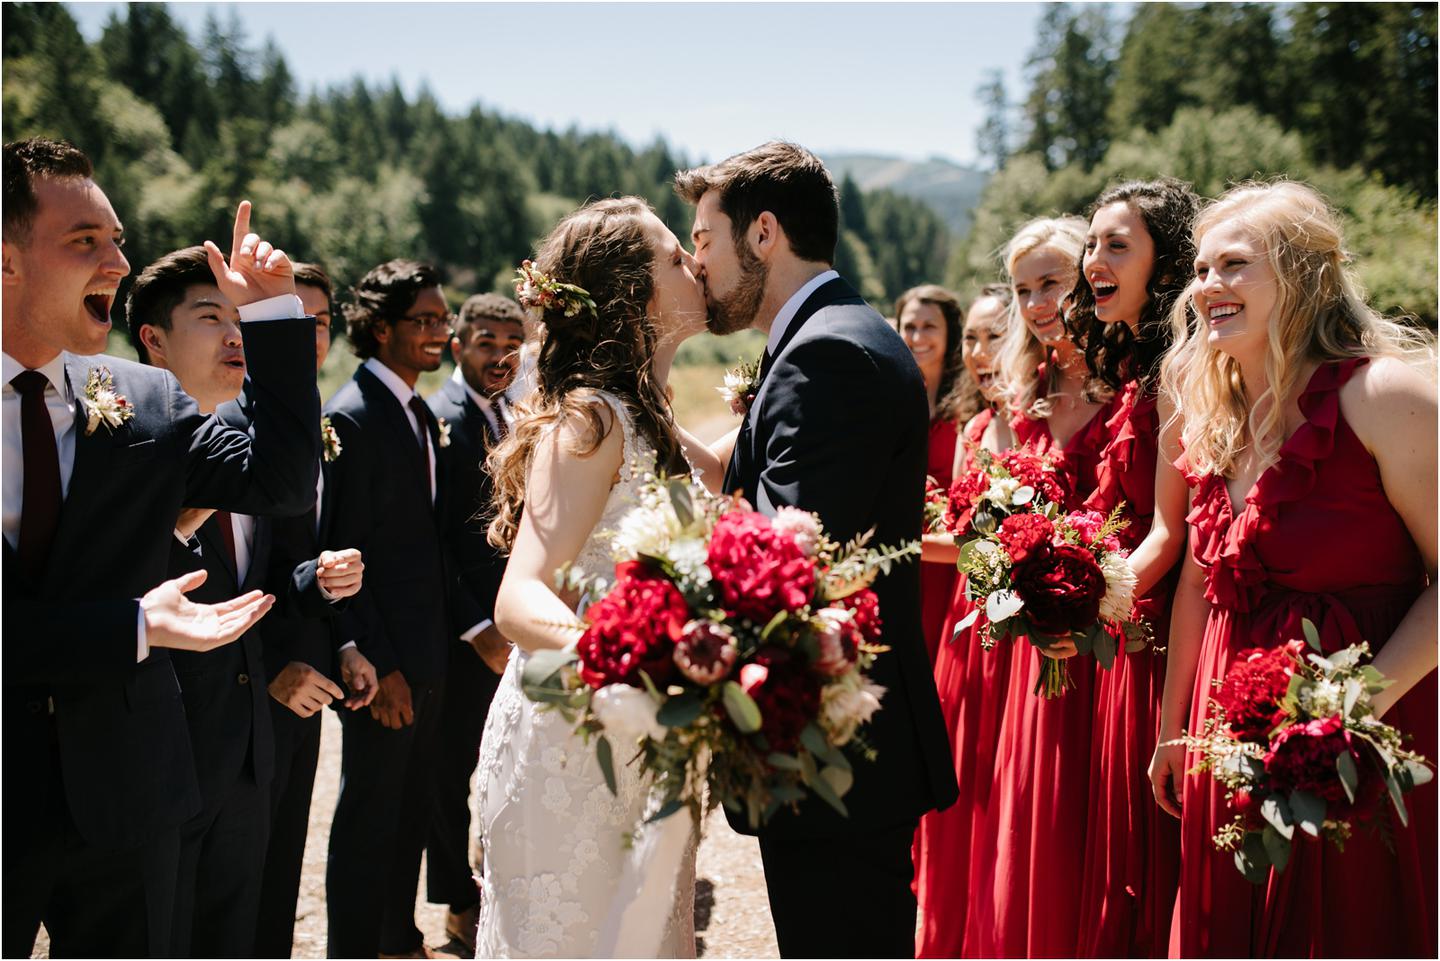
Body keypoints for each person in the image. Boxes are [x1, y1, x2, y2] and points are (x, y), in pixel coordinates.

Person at [1, 137, 319, 958]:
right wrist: (132, 628)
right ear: (5, 262)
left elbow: (280, 480)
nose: (118, 257)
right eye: (85, 242)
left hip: (128, 796)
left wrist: (273, 316)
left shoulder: (143, 400)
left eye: (117, 238)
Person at [676, 141, 958, 958]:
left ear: (763, 233)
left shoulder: (827, 354)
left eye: (704, 238)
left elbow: (784, 556)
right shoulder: (830, 335)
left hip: (838, 749)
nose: (698, 262)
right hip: (843, 746)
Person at [1154, 181, 1437, 957]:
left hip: (1362, 742)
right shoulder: (1212, 412)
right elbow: (1195, 584)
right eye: (1201, 269)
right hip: (1229, 736)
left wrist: (1343, 715)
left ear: (1305, 274)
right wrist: (1173, 729)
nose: (1207, 285)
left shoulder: (1386, 397)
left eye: (1234, 264)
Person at [475, 196, 707, 958]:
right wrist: (636, 660)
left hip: (642, 745)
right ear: (634, 293)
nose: (697, 264)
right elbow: (519, 596)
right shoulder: (591, 417)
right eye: (677, 257)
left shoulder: (652, 419)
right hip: (574, 741)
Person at [129, 246, 354, 956]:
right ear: (153, 341)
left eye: (240, 320)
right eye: (211, 318)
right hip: (156, 753)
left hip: (246, 745)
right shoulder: (117, 442)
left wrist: (310, 579)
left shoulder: (233, 443)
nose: (235, 336)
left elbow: (277, 525)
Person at [959, 217, 1117, 957]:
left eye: (1051, 282)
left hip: (1121, 644)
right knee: (1037, 829)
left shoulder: (1133, 386)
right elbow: (983, 513)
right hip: (1040, 642)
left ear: (1089, 274)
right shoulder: (1020, 394)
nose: (1035, 302)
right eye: (1023, 288)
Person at [1067, 177, 1200, 957]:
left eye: (1118, 244)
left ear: (1165, 261)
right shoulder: (1134, 372)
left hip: (1159, 646)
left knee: (1155, 862)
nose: (1095, 260)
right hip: (1127, 636)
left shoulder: (1182, 370)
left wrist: (1082, 603)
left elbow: (1170, 534)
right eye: (1092, 243)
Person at [323, 259, 454, 959]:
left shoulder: (417, 408)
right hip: (386, 664)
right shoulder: (351, 414)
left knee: (408, 810)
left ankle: (397, 940)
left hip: (428, 652)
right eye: (424, 321)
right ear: (380, 328)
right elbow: (342, 550)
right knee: (369, 816)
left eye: (443, 320)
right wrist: (382, 662)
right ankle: (351, 949)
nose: (440, 332)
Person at [251, 260, 379, 958]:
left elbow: (319, 555)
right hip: (249, 681)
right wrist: (274, 663)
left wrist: (345, 644)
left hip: (308, 684)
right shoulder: (231, 423)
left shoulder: (318, 422)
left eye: (320, 323)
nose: (309, 336)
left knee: (278, 871)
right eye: (292, 320)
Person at [912, 284, 1015, 957]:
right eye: (973, 338)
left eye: (992, 336)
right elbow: (965, 530)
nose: (980, 352)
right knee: (961, 788)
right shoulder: (977, 429)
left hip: (1018, 629)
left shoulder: (1018, 425)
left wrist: (896, 528)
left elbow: (992, 543)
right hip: (964, 623)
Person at [424, 292, 524, 953]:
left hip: (514, 622)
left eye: (512, 343)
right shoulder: (442, 418)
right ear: (458, 344)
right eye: (486, 342)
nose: (500, 356)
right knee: (457, 769)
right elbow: (431, 538)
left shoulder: (514, 412)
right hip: (463, 632)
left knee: (504, 764)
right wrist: (475, 627)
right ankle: (461, 907)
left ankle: (492, 896)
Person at [892, 283, 980, 664]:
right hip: (897, 556)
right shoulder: (886, 396)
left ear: (950, 334)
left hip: (949, 562)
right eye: (909, 326)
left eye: (930, 326)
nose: (917, 336)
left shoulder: (970, 403)